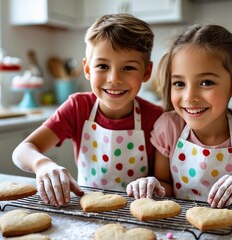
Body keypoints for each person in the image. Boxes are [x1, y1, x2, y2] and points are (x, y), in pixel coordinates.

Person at [126, 24, 232, 209]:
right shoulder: (169, 128)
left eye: (206, 82)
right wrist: (153, 186)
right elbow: (166, 186)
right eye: (179, 83)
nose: (190, 97)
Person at [12, 13, 163, 206]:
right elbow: (22, 150)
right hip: (88, 211)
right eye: (102, 66)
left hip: (138, 213)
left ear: (147, 72)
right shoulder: (78, 108)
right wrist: (43, 165)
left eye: (128, 68)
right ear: (87, 69)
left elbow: (165, 182)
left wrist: (155, 183)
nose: (113, 78)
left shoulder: (157, 117)